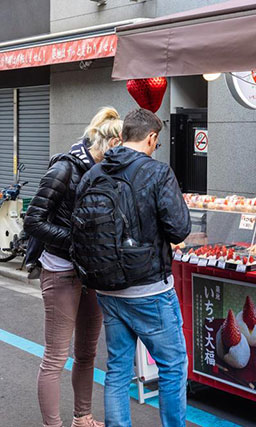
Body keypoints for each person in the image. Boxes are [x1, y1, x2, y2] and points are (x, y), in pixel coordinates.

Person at [74, 108, 191, 427]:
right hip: (150, 288)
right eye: (157, 141)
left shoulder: (93, 174)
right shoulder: (158, 173)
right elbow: (179, 229)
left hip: (107, 288)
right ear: (152, 138)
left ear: (123, 135)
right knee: (173, 365)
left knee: (117, 369)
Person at [24, 106, 123, 427]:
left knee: (87, 354)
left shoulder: (107, 171)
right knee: (55, 357)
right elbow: (33, 222)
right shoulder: (64, 169)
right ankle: (52, 425)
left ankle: (83, 418)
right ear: (109, 143)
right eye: (119, 150)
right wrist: (76, 240)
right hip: (61, 271)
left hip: (91, 272)